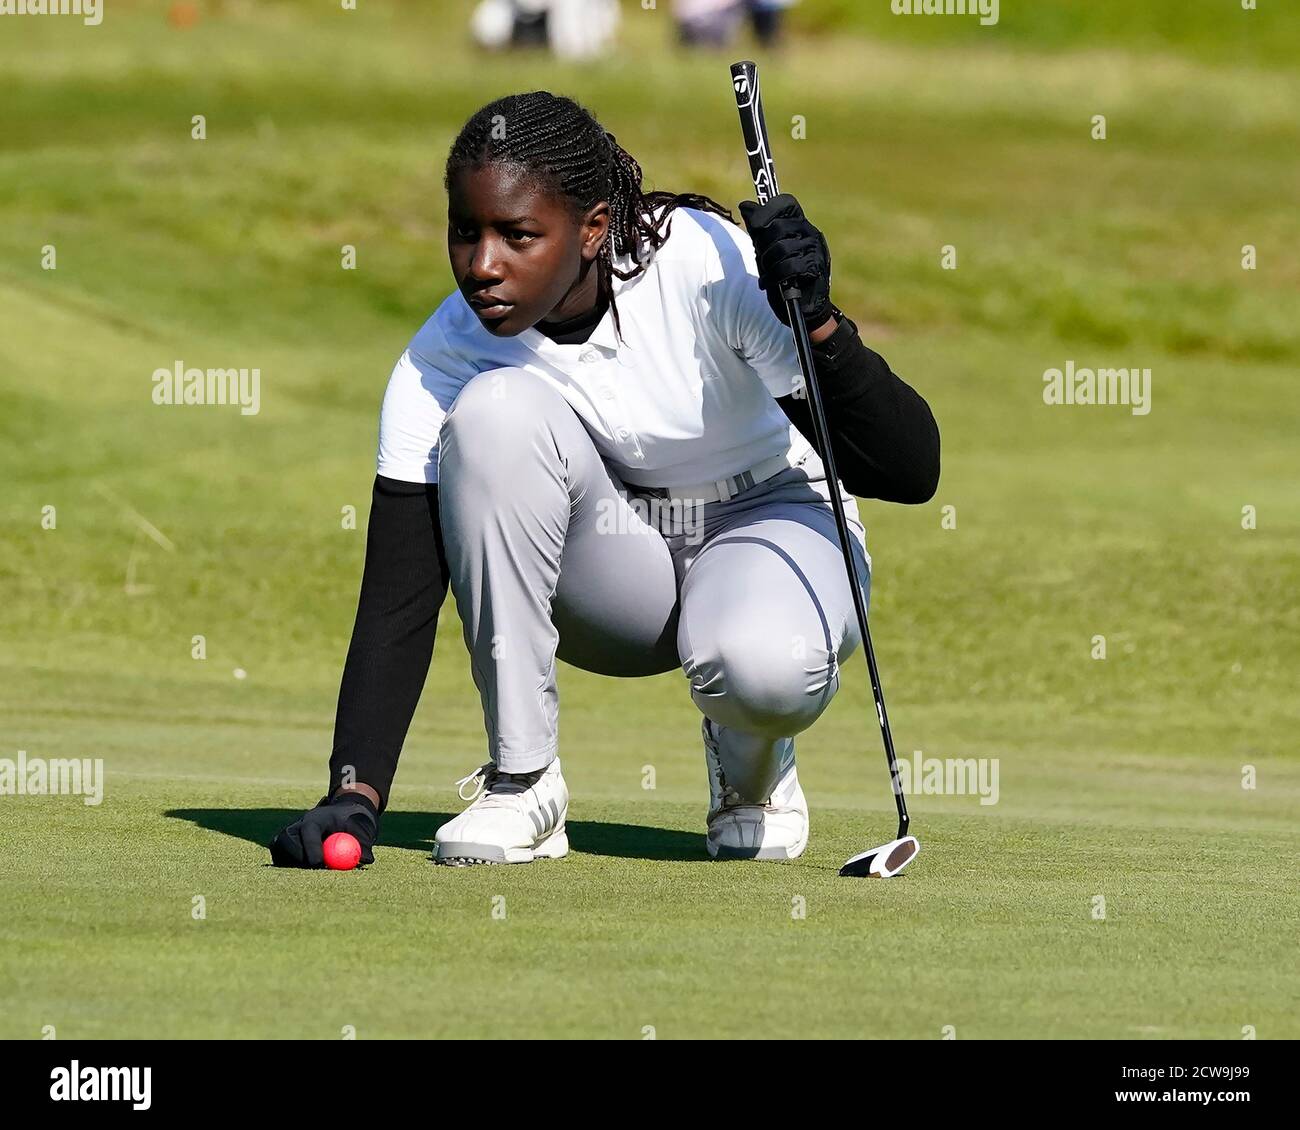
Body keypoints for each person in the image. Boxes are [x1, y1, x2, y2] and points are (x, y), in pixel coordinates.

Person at [269, 90, 939, 869]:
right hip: (621, 571)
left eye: (517, 235)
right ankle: (524, 783)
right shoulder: (445, 357)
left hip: (772, 515)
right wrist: (354, 794)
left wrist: (820, 322)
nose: (484, 266)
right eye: (466, 233)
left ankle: (752, 766)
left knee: (762, 665)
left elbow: (908, 469)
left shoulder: (708, 267)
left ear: (592, 229)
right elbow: (399, 595)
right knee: (493, 416)